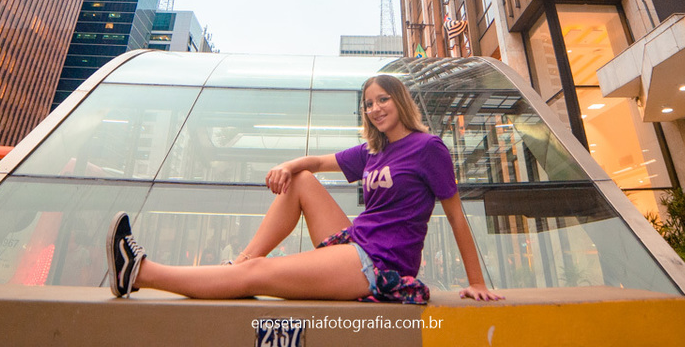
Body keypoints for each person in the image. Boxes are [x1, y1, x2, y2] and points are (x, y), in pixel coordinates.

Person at [106, 74, 503, 304]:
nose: (375, 109)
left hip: (380, 262)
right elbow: (314, 164)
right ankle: (240, 262)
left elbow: (455, 215)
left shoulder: (427, 148)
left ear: (399, 100)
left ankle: (141, 272)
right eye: (368, 104)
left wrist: (478, 282)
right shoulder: (373, 151)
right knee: (300, 180)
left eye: (383, 99)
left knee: (258, 275)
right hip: (356, 241)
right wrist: (287, 166)